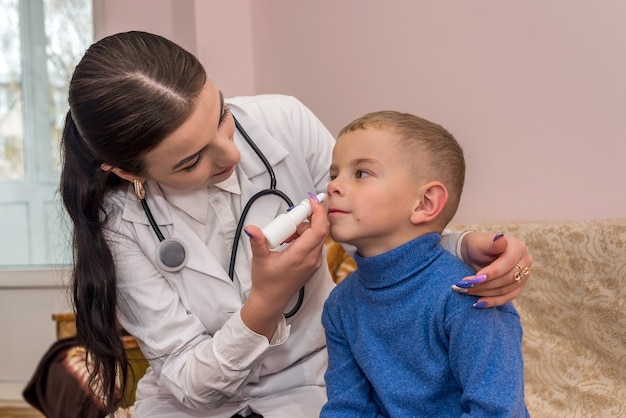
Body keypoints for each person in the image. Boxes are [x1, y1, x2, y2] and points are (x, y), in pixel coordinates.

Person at [59, 31, 532, 418]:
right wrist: (266, 301)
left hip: (305, 383)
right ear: (128, 172)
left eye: (222, 115)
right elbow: (189, 386)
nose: (233, 153)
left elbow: (379, 220)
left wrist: (463, 244)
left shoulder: (282, 121)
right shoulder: (119, 222)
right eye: (192, 160)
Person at [321, 111, 530, 417]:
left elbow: (496, 410)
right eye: (333, 174)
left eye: (361, 173)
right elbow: (347, 408)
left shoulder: (465, 294)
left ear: (425, 204)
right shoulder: (339, 305)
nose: (333, 187)